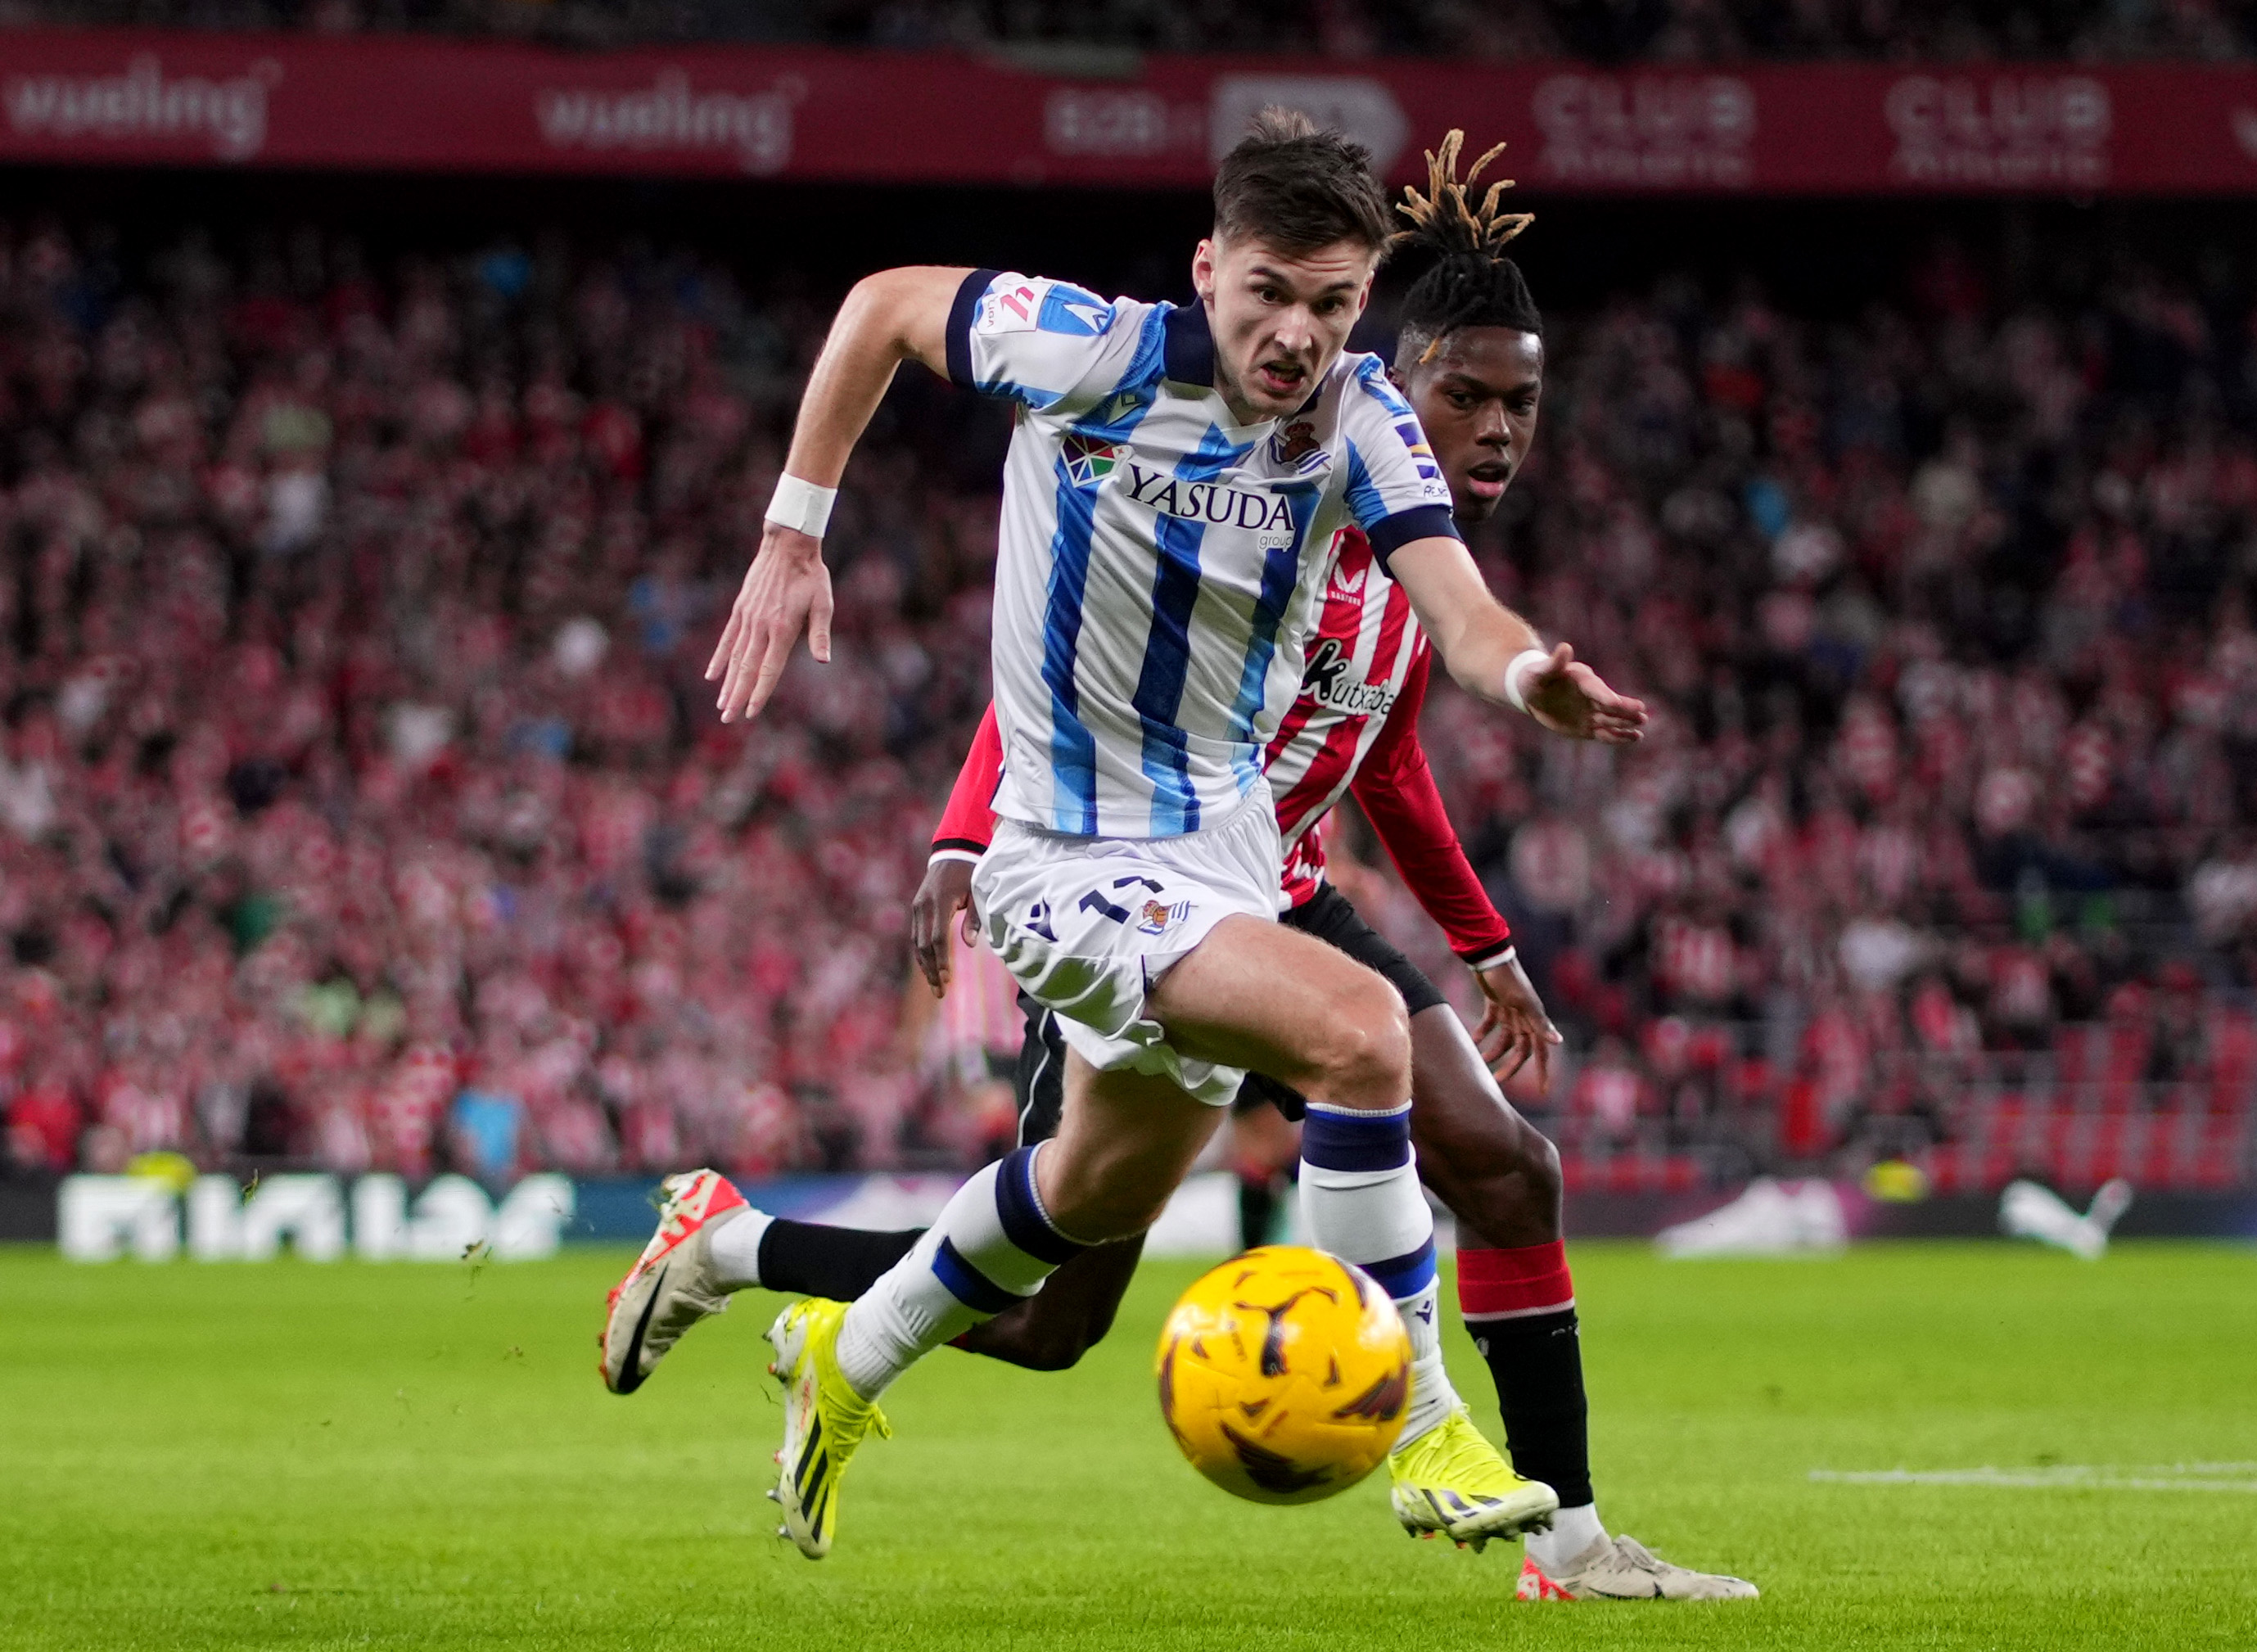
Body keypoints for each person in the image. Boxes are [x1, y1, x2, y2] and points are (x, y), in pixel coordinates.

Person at [604, 112, 1645, 1561]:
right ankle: (1422, 1428)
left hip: (1225, 864)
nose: (1297, 335)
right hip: (1068, 860)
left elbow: (1457, 611)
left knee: (1091, 1191)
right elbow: (884, 306)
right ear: (1210, 271)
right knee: (1362, 1034)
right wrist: (795, 529)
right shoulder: (1094, 351)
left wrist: (1526, 672)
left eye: (1332, 303)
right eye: (1269, 292)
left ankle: (844, 1351)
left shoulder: (1364, 418)